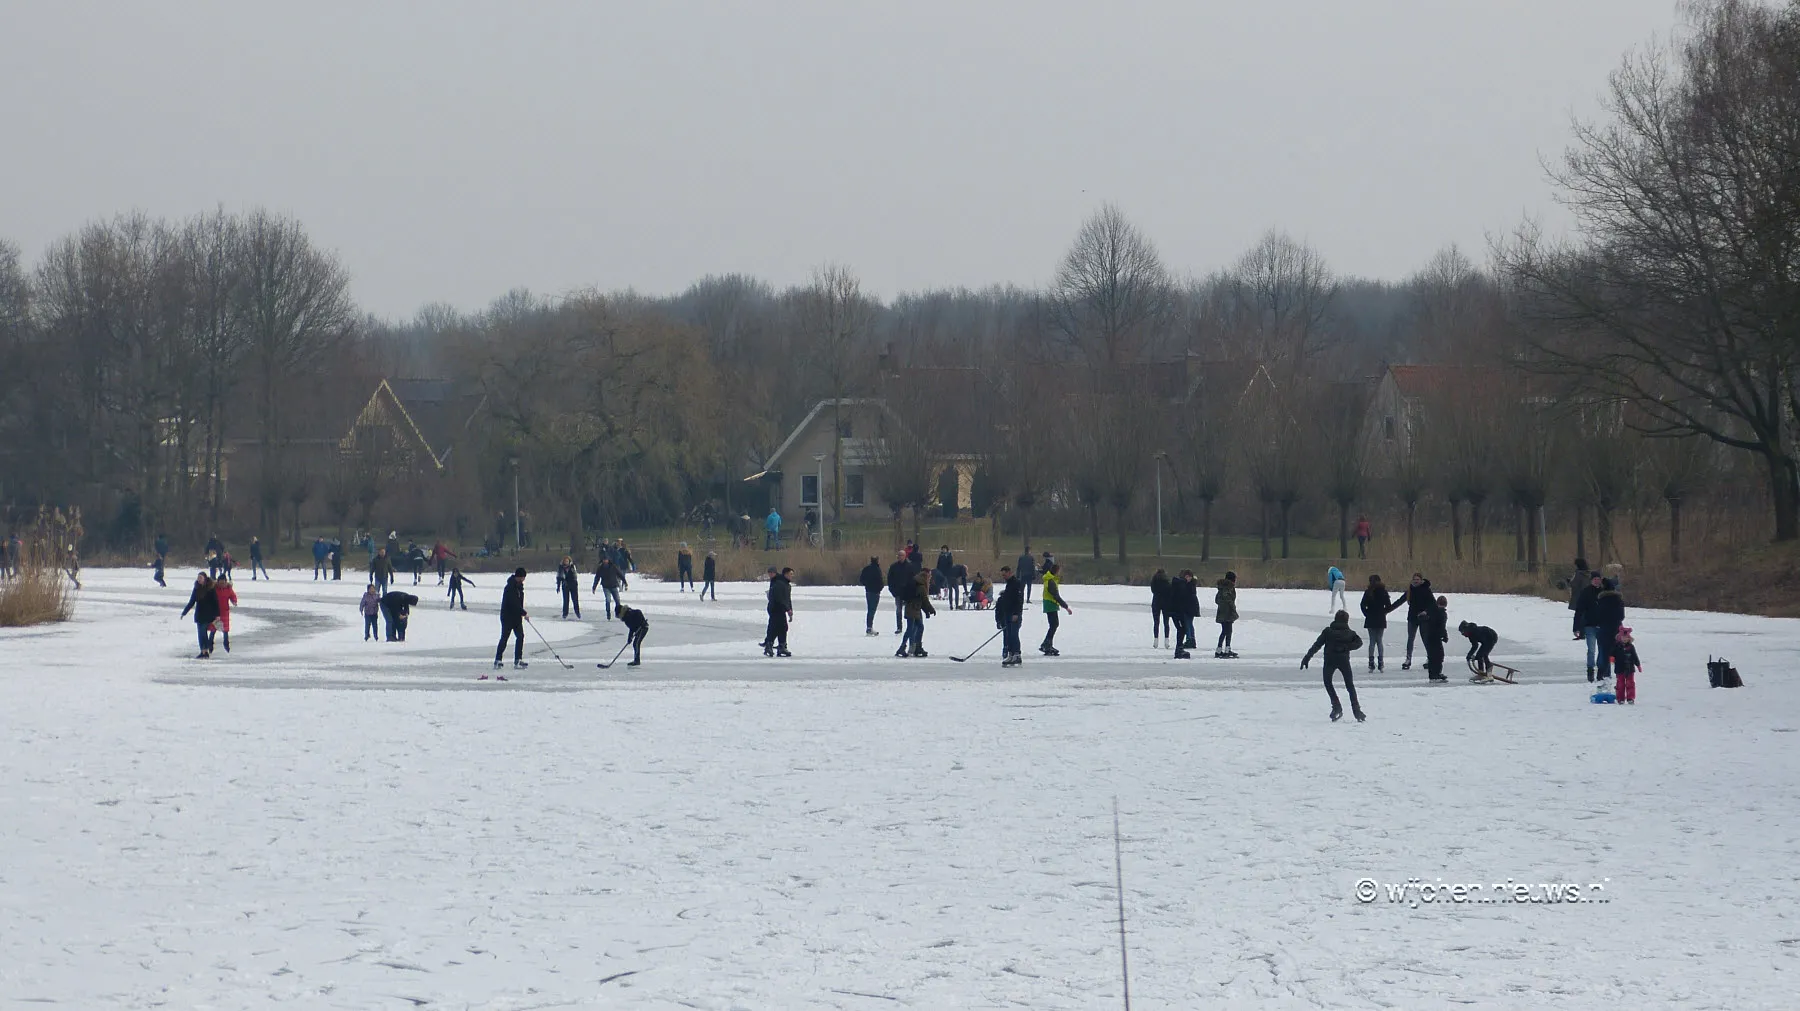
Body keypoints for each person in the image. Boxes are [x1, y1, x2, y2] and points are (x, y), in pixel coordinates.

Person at [1301, 610, 1365, 723]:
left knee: (1328, 683)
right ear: (1347, 620)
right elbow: (1359, 643)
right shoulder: (1350, 633)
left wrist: (1307, 657)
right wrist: (1347, 647)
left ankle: (1336, 706)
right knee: (1350, 685)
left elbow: (1317, 645)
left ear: (1335, 619)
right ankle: (1357, 711)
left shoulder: (1328, 631)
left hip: (1329, 660)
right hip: (1344, 661)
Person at [489, 568, 529, 676]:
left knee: (520, 636)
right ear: (518, 576)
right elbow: (513, 603)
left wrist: (521, 613)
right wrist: (524, 613)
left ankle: (518, 660)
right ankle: (498, 660)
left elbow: (519, 603)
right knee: (505, 637)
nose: (523, 579)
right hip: (507, 617)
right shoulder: (510, 587)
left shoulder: (519, 587)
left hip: (516, 617)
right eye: (523, 577)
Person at [1393, 572, 1435, 671]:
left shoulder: (1426, 590)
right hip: (1412, 617)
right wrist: (1387, 610)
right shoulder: (1410, 590)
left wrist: (1426, 612)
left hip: (1423, 619)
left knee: (1425, 638)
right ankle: (1408, 659)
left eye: (1417, 579)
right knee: (1410, 638)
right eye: (1414, 579)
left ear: (1421, 580)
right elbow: (1400, 600)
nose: (1416, 581)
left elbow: (1432, 604)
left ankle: (1430, 658)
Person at [179, 572, 220, 659]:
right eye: (198, 578)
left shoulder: (210, 588)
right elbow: (191, 602)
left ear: (205, 578)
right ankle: (203, 651)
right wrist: (184, 612)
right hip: (199, 614)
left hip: (208, 614)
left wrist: (217, 614)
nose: (199, 579)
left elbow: (215, 602)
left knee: (203, 632)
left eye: (200, 578)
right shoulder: (196, 588)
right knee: (200, 634)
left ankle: (205, 651)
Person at [1593, 577, 1626, 679]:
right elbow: (1621, 616)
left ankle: (1602, 674)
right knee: (1618, 652)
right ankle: (1619, 674)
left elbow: (1597, 616)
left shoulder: (1601, 600)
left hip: (1604, 629)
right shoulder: (1618, 600)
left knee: (1604, 652)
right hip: (1616, 629)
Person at [1574, 572, 1605, 681]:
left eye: (1598, 579)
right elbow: (1579, 610)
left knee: (1602, 650)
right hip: (1589, 626)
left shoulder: (1604, 592)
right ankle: (1590, 670)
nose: (1597, 581)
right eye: (1595, 579)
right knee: (1591, 649)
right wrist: (1576, 627)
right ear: (1591, 580)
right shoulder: (1586, 592)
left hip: (1602, 626)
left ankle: (1601, 671)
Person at [901, 566, 935, 657]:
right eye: (930, 575)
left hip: (914, 608)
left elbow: (921, 601)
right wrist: (931, 610)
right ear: (926, 575)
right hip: (912, 609)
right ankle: (902, 647)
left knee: (919, 627)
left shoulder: (918, 581)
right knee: (911, 629)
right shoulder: (921, 584)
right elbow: (924, 600)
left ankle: (917, 647)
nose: (930, 577)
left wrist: (927, 611)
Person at [1359, 574, 1391, 672]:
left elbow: (1362, 604)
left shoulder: (1368, 592)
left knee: (1372, 641)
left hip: (1371, 618)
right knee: (1379, 641)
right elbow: (1388, 605)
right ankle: (1381, 662)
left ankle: (1371, 663)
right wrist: (1383, 612)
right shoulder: (1383, 592)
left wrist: (1367, 614)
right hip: (1380, 618)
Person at [1039, 563, 1071, 656]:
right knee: (1054, 624)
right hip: (1051, 604)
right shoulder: (1051, 581)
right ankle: (1046, 644)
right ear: (1056, 571)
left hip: (1049, 603)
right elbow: (1056, 595)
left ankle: (1047, 644)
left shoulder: (1050, 579)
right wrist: (1066, 607)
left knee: (1053, 624)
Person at [996, 565, 1025, 667]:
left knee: (1013, 635)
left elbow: (1019, 600)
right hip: (1007, 614)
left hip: (1014, 614)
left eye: (1005, 575)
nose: (1004, 577)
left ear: (1009, 572)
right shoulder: (1008, 584)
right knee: (1008, 635)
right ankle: (1011, 654)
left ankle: (1017, 654)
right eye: (1002, 575)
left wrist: (1016, 613)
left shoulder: (1016, 583)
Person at [764, 567, 793, 657]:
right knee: (779, 627)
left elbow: (788, 599)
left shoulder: (786, 585)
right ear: (785, 574)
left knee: (780, 628)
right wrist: (787, 609)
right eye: (790, 574)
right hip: (775, 608)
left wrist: (790, 609)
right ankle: (775, 646)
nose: (792, 576)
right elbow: (780, 599)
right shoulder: (780, 584)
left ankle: (777, 646)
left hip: (780, 609)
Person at [1171, 570, 1200, 659]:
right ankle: (1188, 641)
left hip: (1186, 609)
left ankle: (1189, 640)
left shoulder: (1187, 585)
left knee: (1186, 625)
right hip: (1184, 609)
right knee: (1186, 626)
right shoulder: (1185, 585)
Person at [1422, 595, 1450, 682]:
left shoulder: (1432, 611)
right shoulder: (1442, 613)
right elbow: (1442, 626)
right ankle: (1436, 674)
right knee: (1438, 656)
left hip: (1429, 636)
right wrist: (1445, 636)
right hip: (1436, 637)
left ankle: (1433, 674)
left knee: (1432, 656)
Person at [885, 549, 912, 636]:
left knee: (909, 611)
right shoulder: (894, 567)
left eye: (902, 555)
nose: (900, 557)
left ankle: (910, 627)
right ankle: (899, 627)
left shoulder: (909, 566)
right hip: (898, 592)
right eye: (899, 555)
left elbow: (913, 579)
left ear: (905, 556)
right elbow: (890, 579)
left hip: (907, 592)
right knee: (898, 610)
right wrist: (892, 590)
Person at [1612, 626, 1641, 704]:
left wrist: (1638, 665)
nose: (1624, 639)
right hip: (1619, 668)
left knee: (1630, 683)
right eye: (1623, 637)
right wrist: (1611, 657)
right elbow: (1612, 653)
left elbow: (1635, 656)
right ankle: (1620, 698)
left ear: (1629, 638)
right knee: (1620, 684)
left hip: (1630, 668)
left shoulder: (1631, 647)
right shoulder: (1616, 646)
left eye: (1626, 638)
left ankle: (1630, 698)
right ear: (1620, 638)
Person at [1214, 571, 1239, 658]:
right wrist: (1232, 608)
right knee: (1226, 631)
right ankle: (1219, 649)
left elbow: (1217, 600)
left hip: (1223, 612)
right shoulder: (1228, 588)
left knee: (1227, 631)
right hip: (1227, 613)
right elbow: (1229, 600)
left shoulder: (1222, 588)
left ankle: (1225, 649)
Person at [617, 602, 650, 667]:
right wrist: (630, 638)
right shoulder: (626, 616)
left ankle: (637, 661)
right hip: (638, 629)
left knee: (636, 643)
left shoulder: (628, 615)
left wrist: (642, 622)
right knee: (635, 644)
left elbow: (638, 612)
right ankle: (636, 660)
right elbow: (632, 628)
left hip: (643, 628)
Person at [859, 555, 884, 636]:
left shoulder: (866, 569)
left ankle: (869, 627)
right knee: (872, 610)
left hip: (868, 591)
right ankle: (869, 628)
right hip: (875, 592)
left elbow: (861, 579)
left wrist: (867, 585)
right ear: (877, 561)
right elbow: (881, 581)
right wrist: (879, 589)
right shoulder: (877, 570)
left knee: (870, 609)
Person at [1566, 557, 1591, 639]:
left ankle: (1580, 632)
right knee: (1586, 615)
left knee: (1579, 615)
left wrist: (1569, 582)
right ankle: (1586, 632)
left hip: (1579, 597)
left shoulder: (1578, 574)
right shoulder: (1589, 573)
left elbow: (1574, 584)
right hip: (1588, 596)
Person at [213, 576, 238, 652]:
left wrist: (234, 601)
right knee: (213, 629)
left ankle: (226, 644)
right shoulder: (214, 588)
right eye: (220, 582)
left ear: (225, 582)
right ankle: (210, 645)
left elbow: (232, 596)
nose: (222, 584)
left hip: (224, 612)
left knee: (225, 630)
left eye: (223, 582)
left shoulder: (228, 589)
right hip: (215, 612)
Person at [1149, 568, 1171, 648]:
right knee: (1166, 623)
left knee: (1156, 622)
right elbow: (1169, 592)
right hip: (1166, 603)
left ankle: (1156, 641)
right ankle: (1166, 640)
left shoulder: (1154, 581)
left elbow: (1153, 590)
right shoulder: (1167, 581)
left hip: (1156, 602)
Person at [556, 555, 582, 619]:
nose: (566, 562)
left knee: (575, 600)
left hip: (573, 585)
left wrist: (575, 583)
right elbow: (559, 577)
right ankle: (565, 614)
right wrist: (558, 586)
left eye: (567, 561)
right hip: (565, 585)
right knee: (566, 600)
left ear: (569, 561)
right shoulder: (561, 567)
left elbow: (575, 576)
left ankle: (577, 613)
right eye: (565, 561)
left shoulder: (572, 567)